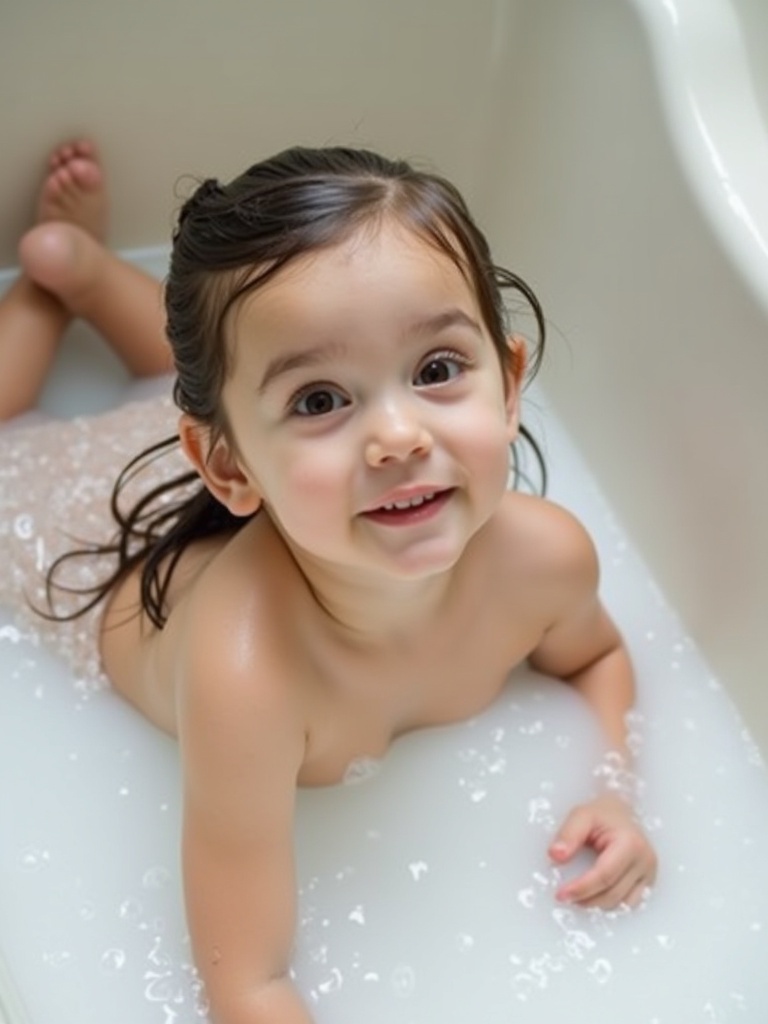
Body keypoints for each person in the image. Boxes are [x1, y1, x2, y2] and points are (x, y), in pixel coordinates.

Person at [0, 141, 657, 1024]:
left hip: (202, 479)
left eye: (435, 370)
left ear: (507, 384)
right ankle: (53, 288)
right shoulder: (249, 681)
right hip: (69, 538)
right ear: (227, 469)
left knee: (182, 380)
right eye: (320, 400)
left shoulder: (548, 558)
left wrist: (615, 783)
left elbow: (598, 659)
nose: (398, 436)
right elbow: (247, 979)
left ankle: (86, 276)